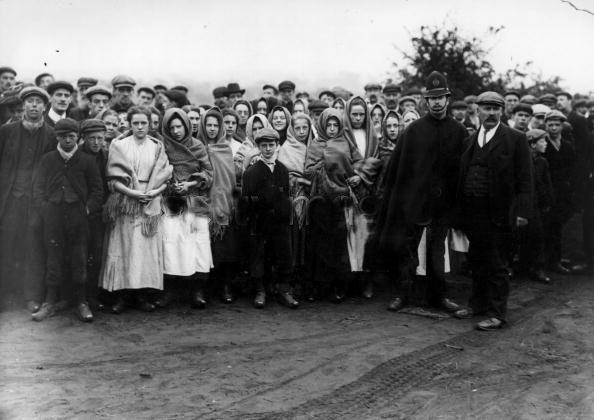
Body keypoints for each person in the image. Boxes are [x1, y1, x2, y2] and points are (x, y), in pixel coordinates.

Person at [370, 71, 465, 313]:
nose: (436, 102)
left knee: (437, 250)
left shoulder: (459, 132)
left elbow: (461, 171)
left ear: (447, 99)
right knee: (407, 248)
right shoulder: (413, 131)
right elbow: (399, 171)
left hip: (442, 204)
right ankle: (403, 293)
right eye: (432, 98)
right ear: (425, 100)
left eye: (441, 97)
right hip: (415, 203)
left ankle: (439, 296)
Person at [454, 91, 533, 331]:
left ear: (502, 111)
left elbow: (526, 180)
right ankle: (477, 304)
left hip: (500, 214)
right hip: (473, 213)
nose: (490, 112)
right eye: (486, 108)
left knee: (498, 263)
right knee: (476, 260)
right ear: (476, 110)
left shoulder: (515, 139)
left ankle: (497, 313)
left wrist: (522, 213)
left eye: (495, 108)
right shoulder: (469, 140)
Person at [100, 106, 172, 314]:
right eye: (135, 123)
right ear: (129, 124)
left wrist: (154, 192)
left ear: (150, 124)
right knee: (124, 248)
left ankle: (142, 295)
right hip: (125, 202)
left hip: (149, 201)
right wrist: (133, 194)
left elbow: (165, 175)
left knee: (144, 250)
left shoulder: (157, 146)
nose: (140, 127)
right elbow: (113, 179)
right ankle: (122, 296)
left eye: (144, 123)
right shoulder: (119, 145)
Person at [32, 118, 103, 322]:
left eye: (72, 136)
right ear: (57, 137)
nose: (68, 140)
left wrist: (87, 209)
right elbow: (37, 188)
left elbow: (97, 190)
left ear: (78, 137)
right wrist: (45, 208)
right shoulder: (48, 159)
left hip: (78, 217)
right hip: (53, 215)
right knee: (53, 256)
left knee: (79, 257)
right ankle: (49, 301)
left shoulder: (86, 160)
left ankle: (81, 302)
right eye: (63, 136)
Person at [0, 87, 56, 312]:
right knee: (5, 246)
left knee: (33, 248)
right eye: (30, 101)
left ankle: (31, 296)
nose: (34, 105)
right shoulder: (7, 132)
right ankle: (3, 294)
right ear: (24, 105)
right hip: (10, 200)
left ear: (45, 106)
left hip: (37, 202)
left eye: (38, 102)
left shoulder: (51, 135)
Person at [305, 108, 364, 302]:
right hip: (321, 200)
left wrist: (356, 175)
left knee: (339, 244)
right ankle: (318, 287)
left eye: (335, 125)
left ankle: (338, 287)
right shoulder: (315, 144)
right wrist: (326, 162)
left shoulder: (346, 142)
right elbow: (308, 170)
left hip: (342, 199)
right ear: (322, 125)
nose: (331, 129)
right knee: (320, 244)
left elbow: (358, 163)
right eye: (328, 125)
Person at [157, 108, 214, 309]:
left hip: (196, 199)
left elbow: (208, 173)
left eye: (179, 126)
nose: (176, 131)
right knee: (172, 243)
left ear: (186, 125)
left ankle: (197, 291)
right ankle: (171, 290)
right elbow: (159, 169)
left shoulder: (197, 145)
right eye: (171, 127)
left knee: (198, 244)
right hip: (172, 199)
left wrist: (190, 184)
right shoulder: (163, 146)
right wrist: (171, 182)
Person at [241, 128, 299, 309]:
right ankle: (260, 290)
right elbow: (247, 200)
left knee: (283, 254)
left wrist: (284, 211)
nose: (268, 149)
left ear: (277, 146)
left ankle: (283, 289)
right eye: (264, 145)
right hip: (260, 222)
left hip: (280, 222)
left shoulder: (282, 170)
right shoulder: (252, 172)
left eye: (271, 145)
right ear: (258, 147)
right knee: (259, 255)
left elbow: (286, 194)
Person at [200, 108, 242, 303]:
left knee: (225, 247)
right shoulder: (198, 147)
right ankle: (206, 287)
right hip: (203, 202)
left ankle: (225, 287)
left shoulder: (224, 149)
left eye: (216, 125)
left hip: (223, 202)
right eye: (208, 125)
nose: (212, 129)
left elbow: (229, 177)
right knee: (205, 247)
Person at [342, 96, 382, 298]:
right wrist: (352, 175)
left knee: (368, 237)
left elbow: (375, 159)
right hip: (348, 191)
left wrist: (361, 175)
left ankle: (367, 281)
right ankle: (351, 280)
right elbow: (341, 158)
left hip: (367, 191)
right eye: (354, 114)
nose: (357, 118)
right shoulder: (343, 134)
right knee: (351, 237)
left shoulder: (372, 135)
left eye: (361, 114)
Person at [277, 113, 314, 297]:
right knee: (294, 240)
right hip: (294, 200)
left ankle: (307, 283)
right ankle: (292, 282)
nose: (301, 132)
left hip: (313, 198)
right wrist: (301, 180)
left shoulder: (313, 147)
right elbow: (285, 176)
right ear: (291, 129)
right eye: (297, 128)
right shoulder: (286, 149)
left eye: (304, 128)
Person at [79, 119, 110, 309]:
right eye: (92, 139)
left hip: (100, 214)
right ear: (84, 139)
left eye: (100, 138)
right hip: (81, 213)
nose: (97, 143)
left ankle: (92, 295)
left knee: (97, 255)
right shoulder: (78, 156)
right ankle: (78, 297)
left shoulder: (106, 156)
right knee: (80, 255)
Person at [543, 110, 576, 274]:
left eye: (557, 125)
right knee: (545, 227)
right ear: (546, 126)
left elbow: (572, 169)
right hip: (547, 191)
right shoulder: (543, 144)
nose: (554, 128)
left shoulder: (568, 145)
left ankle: (555, 260)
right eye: (551, 125)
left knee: (557, 227)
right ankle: (542, 262)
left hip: (563, 192)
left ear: (562, 126)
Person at [518, 129, 554, 283]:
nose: (546, 144)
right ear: (532, 144)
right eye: (542, 141)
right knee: (519, 237)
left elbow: (546, 185)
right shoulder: (520, 162)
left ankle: (538, 268)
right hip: (522, 206)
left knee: (538, 237)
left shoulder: (543, 162)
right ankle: (520, 266)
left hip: (537, 206)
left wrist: (547, 202)